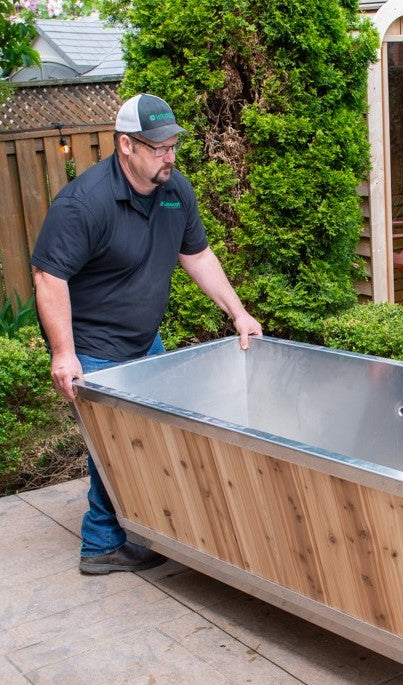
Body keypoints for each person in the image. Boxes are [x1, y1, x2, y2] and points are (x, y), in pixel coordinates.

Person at [32, 93, 262, 576]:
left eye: (173, 145)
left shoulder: (175, 189)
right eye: (157, 147)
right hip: (93, 349)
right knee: (112, 448)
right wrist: (64, 355)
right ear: (125, 146)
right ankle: (99, 545)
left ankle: (142, 527)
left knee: (148, 442)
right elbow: (49, 278)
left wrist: (237, 312)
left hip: (143, 344)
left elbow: (196, 255)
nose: (169, 156)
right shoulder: (84, 203)